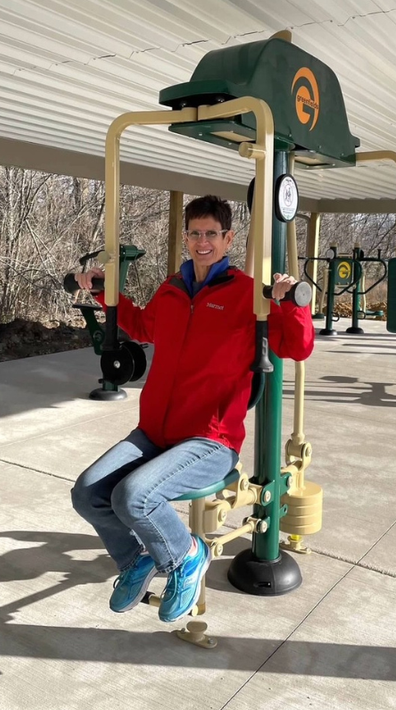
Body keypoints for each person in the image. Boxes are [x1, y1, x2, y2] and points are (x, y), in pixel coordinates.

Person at [71, 195, 313, 622]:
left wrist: (292, 304)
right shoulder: (172, 288)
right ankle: (135, 560)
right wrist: (105, 292)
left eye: (212, 234)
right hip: (155, 434)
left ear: (228, 238)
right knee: (88, 492)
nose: (203, 242)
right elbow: (145, 325)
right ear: (186, 238)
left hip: (210, 440)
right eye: (195, 234)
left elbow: (297, 346)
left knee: (134, 497)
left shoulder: (247, 295)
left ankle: (186, 555)